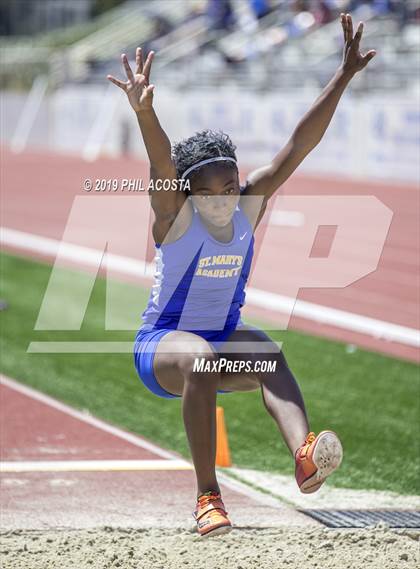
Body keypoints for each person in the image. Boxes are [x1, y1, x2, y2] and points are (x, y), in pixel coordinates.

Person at [107, 13, 376, 538]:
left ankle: (304, 454)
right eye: (211, 191)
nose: (225, 198)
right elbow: (163, 165)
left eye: (230, 186)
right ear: (190, 194)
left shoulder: (248, 205)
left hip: (221, 339)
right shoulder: (174, 218)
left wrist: (342, 77)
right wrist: (145, 113)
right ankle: (208, 496)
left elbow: (299, 146)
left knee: (268, 352)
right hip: (162, 348)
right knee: (202, 360)